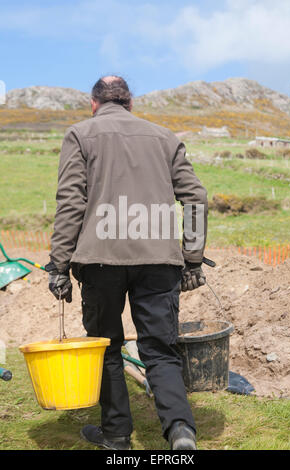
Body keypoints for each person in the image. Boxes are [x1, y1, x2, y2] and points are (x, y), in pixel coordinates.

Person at [46, 75, 208, 450]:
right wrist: (193, 258)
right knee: (160, 349)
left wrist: (58, 265)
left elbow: (71, 204)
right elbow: (196, 197)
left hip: (100, 261)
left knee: (106, 346)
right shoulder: (165, 137)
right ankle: (180, 430)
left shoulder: (80, 134)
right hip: (160, 261)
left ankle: (117, 435)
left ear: (94, 103)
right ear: (130, 103)